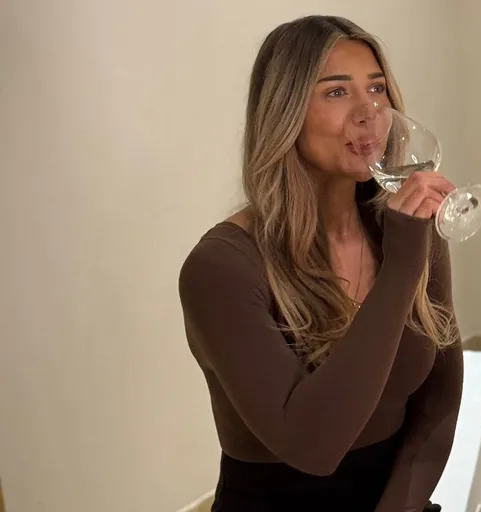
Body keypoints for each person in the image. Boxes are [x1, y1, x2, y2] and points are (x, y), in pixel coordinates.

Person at [178, 15, 463, 511]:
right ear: (284, 113)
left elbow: (438, 405)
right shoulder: (221, 267)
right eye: (336, 93)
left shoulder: (403, 232)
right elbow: (313, 447)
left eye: (377, 89)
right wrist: (399, 271)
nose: (369, 111)